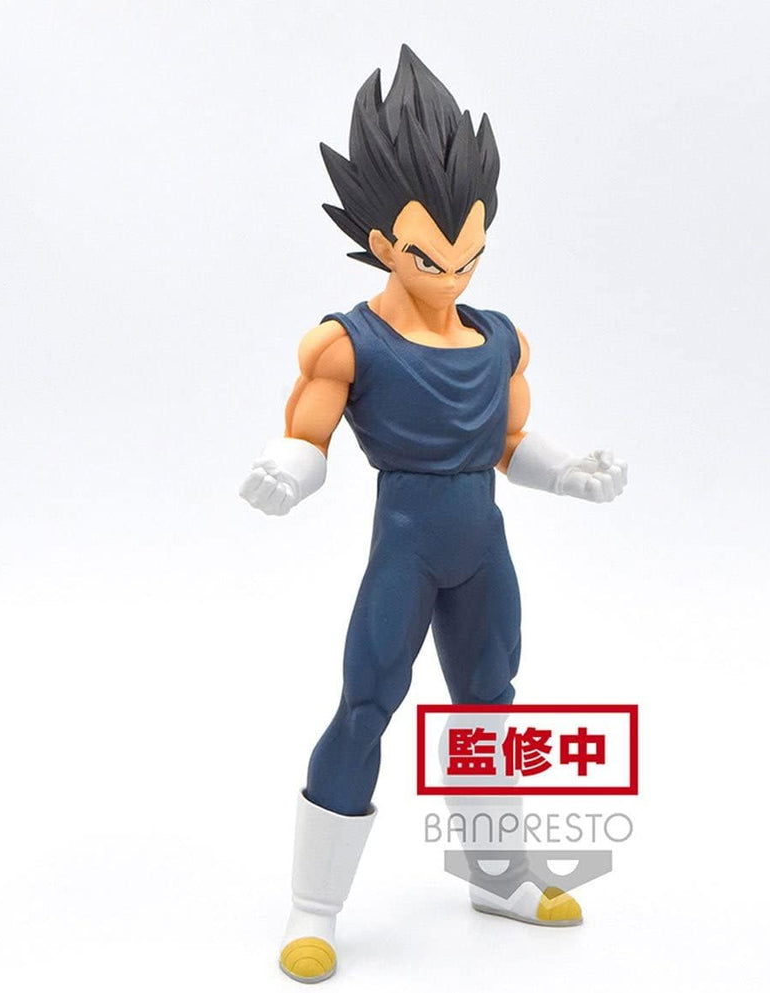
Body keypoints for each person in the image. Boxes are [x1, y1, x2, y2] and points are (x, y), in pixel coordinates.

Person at [240, 44, 627, 984]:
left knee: (490, 703)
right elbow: (308, 438)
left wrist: (568, 474)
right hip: (405, 551)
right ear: (383, 242)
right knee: (366, 705)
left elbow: (508, 442)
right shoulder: (347, 342)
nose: (453, 273)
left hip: (483, 548)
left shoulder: (499, 338)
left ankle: (498, 875)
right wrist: (286, 473)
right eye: (430, 256)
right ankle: (313, 905)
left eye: (470, 254)